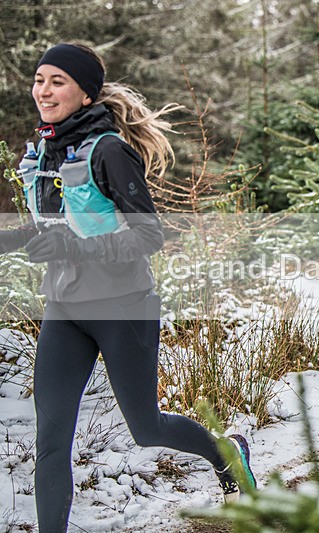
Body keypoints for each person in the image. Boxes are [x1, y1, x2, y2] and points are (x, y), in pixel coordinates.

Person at [0, 43, 256, 532]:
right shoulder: (48, 152)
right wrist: (13, 239)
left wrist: (72, 247)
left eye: (57, 81)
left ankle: (226, 454)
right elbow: (53, 227)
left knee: (146, 428)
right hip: (64, 309)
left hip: (123, 307)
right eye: (39, 80)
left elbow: (148, 235)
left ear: (85, 93)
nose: (43, 90)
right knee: (50, 440)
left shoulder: (110, 151)